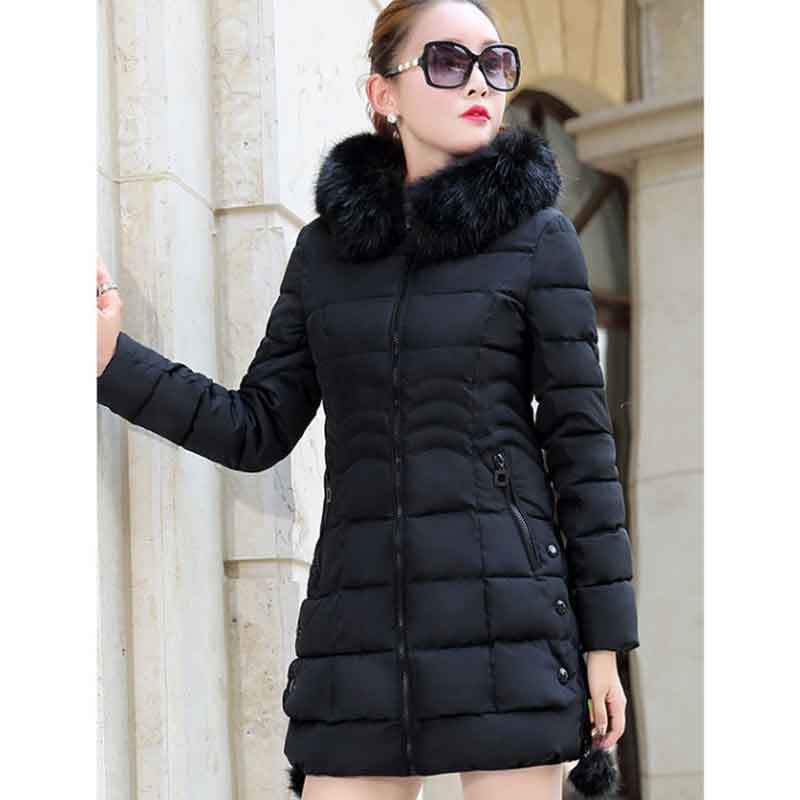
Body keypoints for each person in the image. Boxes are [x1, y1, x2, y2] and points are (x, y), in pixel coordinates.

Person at [97, 1, 640, 798]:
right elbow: (255, 427)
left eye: (495, 64)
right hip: (358, 636)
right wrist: (110, 360)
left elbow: (583, 455)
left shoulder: (538, 239)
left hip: (512, 629)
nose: (478, 83)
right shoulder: (325, 253)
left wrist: (604, 647)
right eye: (448, 62)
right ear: (383, 94)